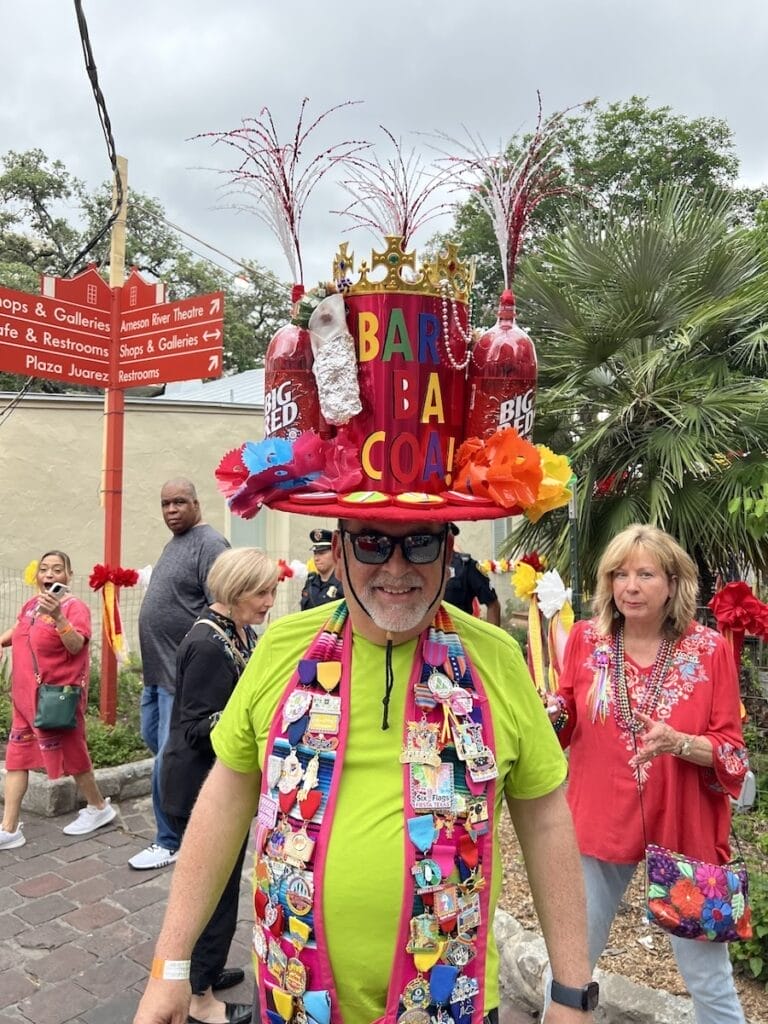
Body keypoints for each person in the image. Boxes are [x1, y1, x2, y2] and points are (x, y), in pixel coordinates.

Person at [134, 234, 594, 1023]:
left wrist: (572, 989)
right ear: (337, 550)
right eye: (371, 541)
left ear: (449, 549)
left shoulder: (494, 656)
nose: (395, 567)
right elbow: (228, 793)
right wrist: (171, 966)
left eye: (419, 541)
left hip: (448, 1003)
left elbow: (546, 811)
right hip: (293, 997)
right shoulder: (282, 645)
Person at [547, 524, 749, 1024]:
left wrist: (680, 743)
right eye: (619, 574)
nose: (630, 586)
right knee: (570, 973)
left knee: (710, 984)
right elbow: (563, 724)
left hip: (685, 831)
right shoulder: (584, 641)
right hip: (597, 824)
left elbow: (733, 754)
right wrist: (545, 713)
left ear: (673, 583)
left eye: (645, 574)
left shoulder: (708, 650)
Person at [160, 547, 279, 1024]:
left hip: (209, 781)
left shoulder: (236, 631)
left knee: (221, 893)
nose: (270, 600)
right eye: (261, 591)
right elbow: (194, 725)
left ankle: (202, 972)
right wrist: (253, 724)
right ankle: (199, 1000)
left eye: (272, 589)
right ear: (233, 591)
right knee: (216, 894)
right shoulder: (209, 644)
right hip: (195, 788)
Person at [130, 478, 230, 871]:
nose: (171, 510)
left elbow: (220, 605)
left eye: (179, 502)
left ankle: (168, 839)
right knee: (157, 746)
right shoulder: (176, 543)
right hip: (156, 672)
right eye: (165, 504)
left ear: (196, 503)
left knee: (167, 760)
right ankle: (189, 811)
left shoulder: (209, 544)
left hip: (179, 675)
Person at [0, 550, 117, 849]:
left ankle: (99, 808)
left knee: (74, 757)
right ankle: (10, 828)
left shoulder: (74, 608)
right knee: (16, 758)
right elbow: (19, 631)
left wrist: (58, 616)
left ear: (68, 576)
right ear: (37, 575)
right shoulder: (30, 605)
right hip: (25, 698)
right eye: (44, 569)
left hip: (56, 699)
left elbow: (76, 645)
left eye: (57, 569)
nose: (49, 574)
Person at [444, 531, 501, 626]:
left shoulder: (466, 566)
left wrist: (493, 638)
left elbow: (493, 604)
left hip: (460, 634)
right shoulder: (420, 567)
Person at [299, 528, 343, 610]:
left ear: (335, 553)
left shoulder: (342, 584)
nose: (316, 558)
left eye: (322, 553)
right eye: (315, 553)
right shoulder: (311, 582)